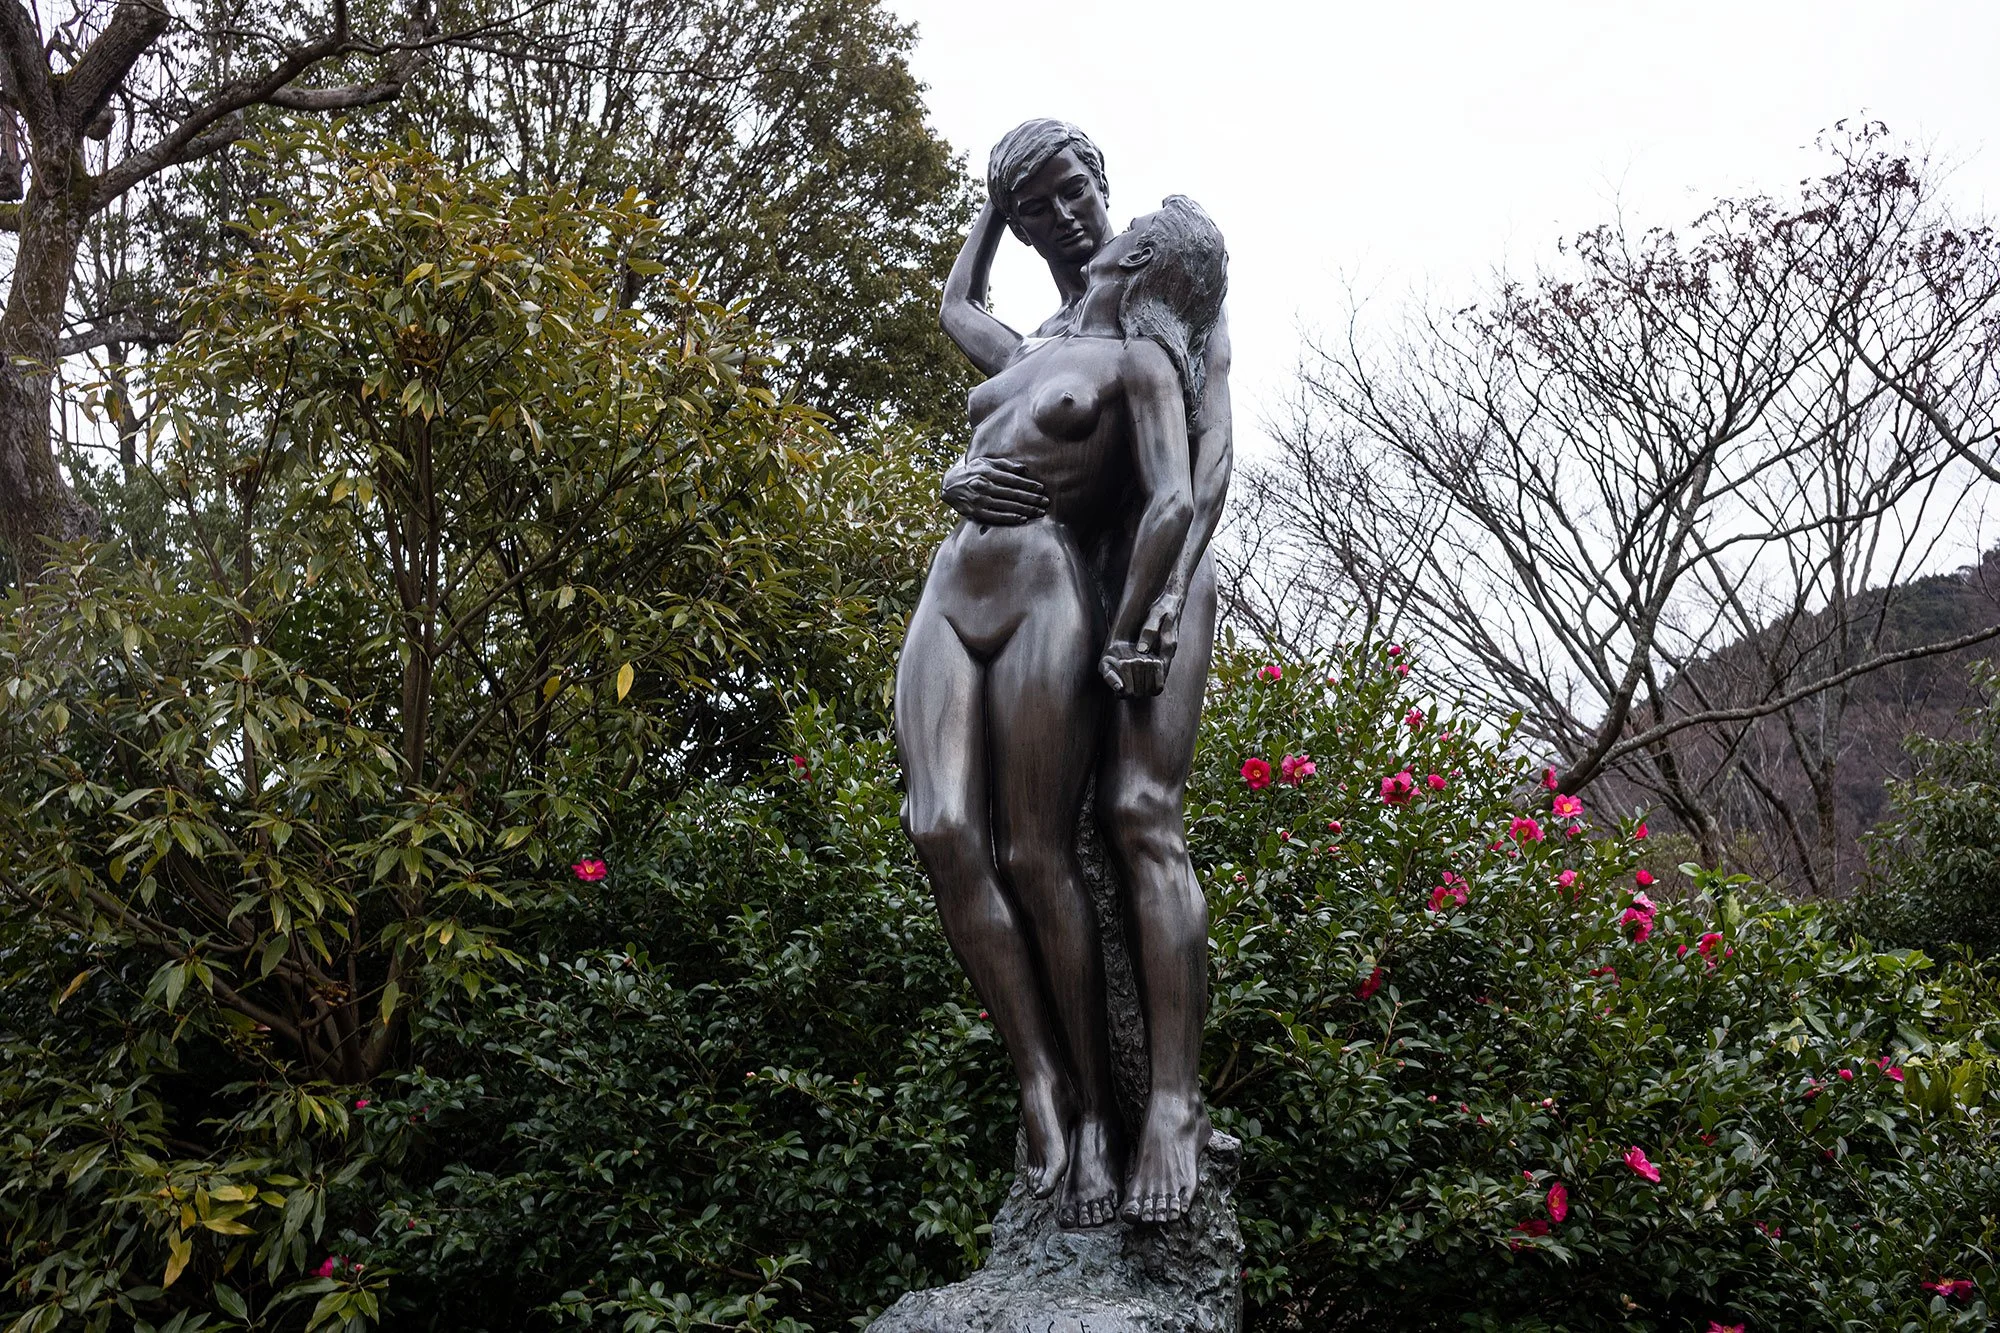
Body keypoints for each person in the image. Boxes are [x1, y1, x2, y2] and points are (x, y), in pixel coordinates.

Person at [900, 119, 1230, 1229]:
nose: (1073, 216)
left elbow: (1203, 461)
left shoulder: (1166, 309)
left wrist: (1162, 598)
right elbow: (961, 321)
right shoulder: (1033, 339)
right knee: (962, 829)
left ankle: (1167, 1108)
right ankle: (1054, 1088)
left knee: (1135, 814)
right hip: (1008, 577)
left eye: (1078, 188)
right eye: (1036, 203)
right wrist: (987, 202)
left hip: (1145, 575)